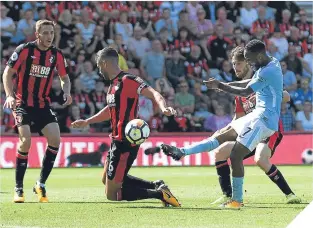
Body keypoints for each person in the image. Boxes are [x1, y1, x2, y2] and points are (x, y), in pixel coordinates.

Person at [161, 40, 286, 208]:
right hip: (257, 115)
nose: (248, 62)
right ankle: (182, 152)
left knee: (235, 155)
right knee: (222, 133)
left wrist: (221, 85)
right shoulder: (268, 62)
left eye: (249, 59)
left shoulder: (269, 70)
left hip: (265, 120)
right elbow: (246, 84)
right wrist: (222, 86)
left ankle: (237, 201)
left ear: (259, 55)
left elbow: (246, 91)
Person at [71, 47, 180, 207]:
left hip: (126, 142)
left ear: (105, 63)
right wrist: (88, 121)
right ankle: (157, 185)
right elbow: (110, 110)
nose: (99, 70)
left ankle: (159, 194)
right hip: (116, 140)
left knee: (112, 194)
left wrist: (163, 108)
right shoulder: (112, 85)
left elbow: (154, 93)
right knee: (105, 179)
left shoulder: (129, 80)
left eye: (99, 66)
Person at [3, 20, 72, 203]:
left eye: (52, 33)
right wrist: (9, 95)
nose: (50, 36)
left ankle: (40, 184)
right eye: (46, 33)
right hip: (22, 103)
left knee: (56, 139)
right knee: (26, 141)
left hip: (42, 104)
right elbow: (7, 73)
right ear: (38, 34)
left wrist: (66, 91)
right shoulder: (25, 50)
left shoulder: (56, 55)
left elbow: (64, 77)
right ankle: (18, 188)